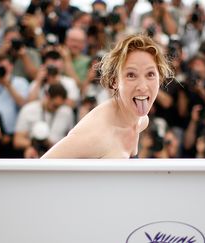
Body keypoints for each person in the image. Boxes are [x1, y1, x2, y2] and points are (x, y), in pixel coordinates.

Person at [42, 34, 173, 158]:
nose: (143, 87)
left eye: (150, 74)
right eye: (131, 75)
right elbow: (38, 171)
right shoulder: (97, 134)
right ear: (115, 81)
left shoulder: (142, 121)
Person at [14, 83, 74, 158]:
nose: (57, 109)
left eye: (60, 106)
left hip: (58, 157)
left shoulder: (67, 112)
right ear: (47, 96)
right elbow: (17, 141)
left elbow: (71, 140)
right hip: (34, 156)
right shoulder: (28, 110)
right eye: (55, 105)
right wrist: (38, 144)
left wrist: (52, 145)